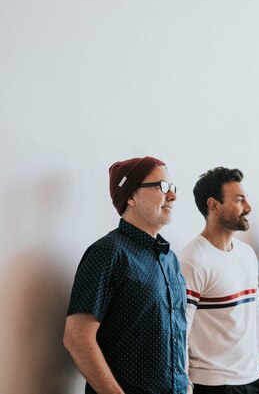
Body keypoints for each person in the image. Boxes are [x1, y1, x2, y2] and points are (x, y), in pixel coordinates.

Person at [64, 156, 188, 394]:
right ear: (131, 196)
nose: (172, 196)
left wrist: (186, 382)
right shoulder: (107, 253)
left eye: (172, 188)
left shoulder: (170, 259)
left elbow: (178, 333)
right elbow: (77, 337)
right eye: (162, 187)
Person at [180, 167, 259, 394]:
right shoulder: (192, 260)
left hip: (253, 379)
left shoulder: (246, 253)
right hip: (213, 385)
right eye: (239, 200)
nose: (248, 207)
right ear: (214, 205)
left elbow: (257, 312)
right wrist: (183, 383)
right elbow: (179, 332)